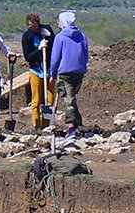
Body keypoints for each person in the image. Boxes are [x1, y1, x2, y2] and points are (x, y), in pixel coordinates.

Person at [48, 10, 88, 139]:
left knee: (68, 100)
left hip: (65, 72)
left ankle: (72, 127)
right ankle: (79, 124)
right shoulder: (82, 35)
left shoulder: (60, 37)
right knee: (72, 98)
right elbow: (86, 54)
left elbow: (55, 58)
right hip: (79, 72)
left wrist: (52, 74)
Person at [21, 13, 56, 129]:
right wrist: (38, 49)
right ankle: (36, 126)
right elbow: (28, 57)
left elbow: (55, 46)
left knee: (49, 99)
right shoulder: (27, 37)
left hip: (49, 69)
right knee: (36, 100)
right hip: (36, 70)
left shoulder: (47, 30)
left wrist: (48, 41)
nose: (32, 28)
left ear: (38, 23)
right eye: (29, 25)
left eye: (34, 25)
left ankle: (47, 125)